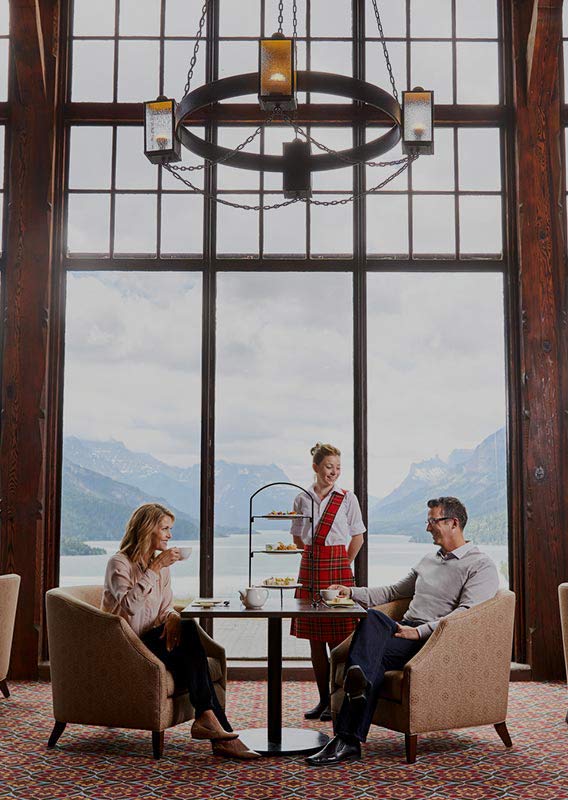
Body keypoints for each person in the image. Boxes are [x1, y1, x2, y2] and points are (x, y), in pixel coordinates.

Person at [306, 496, 500, 766]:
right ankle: (357, 691)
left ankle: (346, 738)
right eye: (428, 521)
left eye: (433, 521)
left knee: (369, 659)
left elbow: (466, 614)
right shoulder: (428, 561)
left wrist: (418, 633)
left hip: (434, 641)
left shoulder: (480, 565)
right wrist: (351, 591)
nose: (428, 527)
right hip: (402, 630)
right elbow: (394, 592)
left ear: (453, 523)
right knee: (372, 618)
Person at [102, 502, 260, 760]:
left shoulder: (161, 569)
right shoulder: (118, 564)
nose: (169, 535)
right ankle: (221, 733)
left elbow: (164, 609)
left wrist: (173, 616)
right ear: (147, 529)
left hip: (153, 641)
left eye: (170, 529)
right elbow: (129, 606)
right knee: (191, 645)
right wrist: (154, 569)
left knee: (189, 639)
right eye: (164, 528)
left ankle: (213, 727)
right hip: (127, 645)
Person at [290, 443, 365, 721]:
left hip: (338, 567)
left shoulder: (347, 498)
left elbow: (358, 537)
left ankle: (340, 699)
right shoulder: (301, 498)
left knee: (339, 639)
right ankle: (323, 700)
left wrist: (343, 564)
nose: (333, 472)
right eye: (328, 466)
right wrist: (312, 554)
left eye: (337, 468)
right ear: (316, 467)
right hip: (310, 567)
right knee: (314, 640)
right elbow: (297, 536)